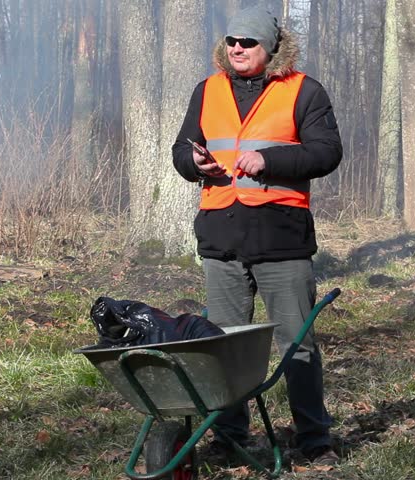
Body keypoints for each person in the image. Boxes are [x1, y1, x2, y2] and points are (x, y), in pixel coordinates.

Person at [171, 6, 343, 466]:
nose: (237, 49)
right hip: (221, 239)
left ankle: (314, 439)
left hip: (281, 240)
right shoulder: (207, 91)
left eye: (248, 43)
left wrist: (272, 161)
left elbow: (328, 153)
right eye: (232, 41)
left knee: (297, 343)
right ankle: (229, 437)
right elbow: (180, 152)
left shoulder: (304, 91)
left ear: (270, 48)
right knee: (224, 344)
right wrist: (195, 165)